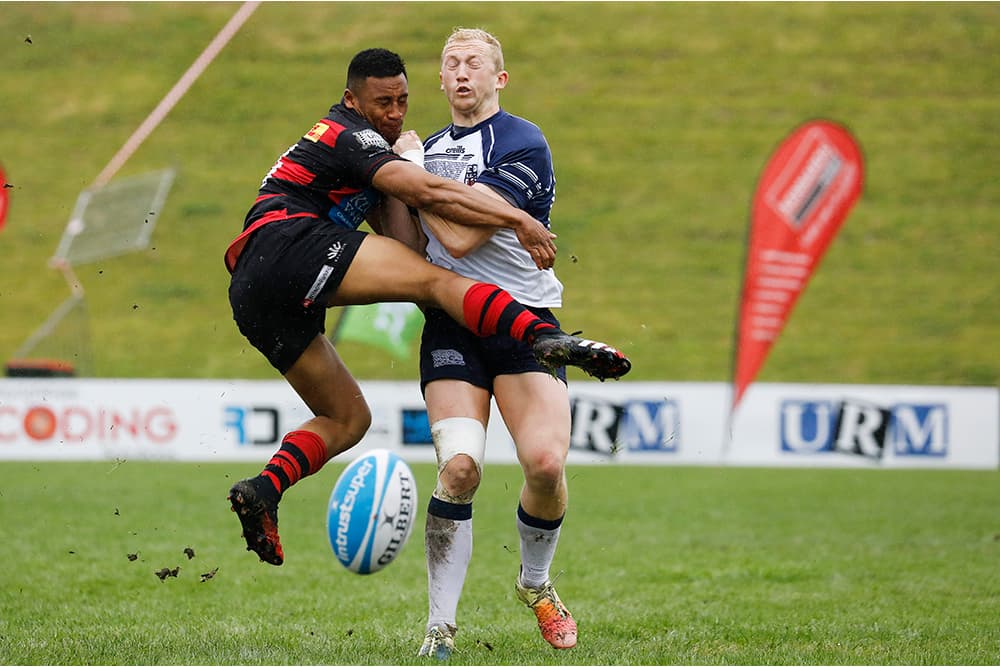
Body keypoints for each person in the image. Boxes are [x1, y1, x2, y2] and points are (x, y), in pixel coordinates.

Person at [224, 48, 631, 569]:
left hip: (254, 290)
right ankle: (541, 337)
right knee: (437, 283)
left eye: (401, 102)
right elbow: (429, 191)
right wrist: (519, 221)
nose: (394, 114)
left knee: (348, 417)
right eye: (381, 102)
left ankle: (264, 489)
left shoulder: (368, 155)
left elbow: (407, 242)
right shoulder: (352, 135)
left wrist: (405, 190)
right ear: (351, 100)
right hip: (287, 242)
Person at [394, 29, 608, 658]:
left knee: (545, 464)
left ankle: (536, 585)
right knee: (459, 467)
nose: (462, 72)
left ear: (499, 79)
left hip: (525, 326)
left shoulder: (520, 141)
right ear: (439, 80)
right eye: (451, 63)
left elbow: (460, 239)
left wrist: (410, 176)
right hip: (453, 325)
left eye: (475, 63)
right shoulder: (427, 148)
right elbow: (414, 248)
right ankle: (440, 625)